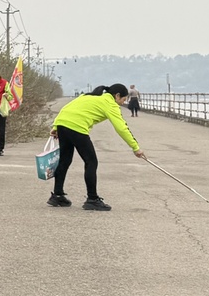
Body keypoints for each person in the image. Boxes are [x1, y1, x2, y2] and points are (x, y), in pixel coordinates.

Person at [49, 83, 146, 212]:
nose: (123, 103)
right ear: (117, 96)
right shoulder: (110, 104)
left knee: (65, 160)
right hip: (77, 127)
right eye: (123, 99)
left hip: (63, 124)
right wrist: (135, 147)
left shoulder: (88, 96)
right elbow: (122, 128)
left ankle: (57, 195)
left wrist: (56, 126)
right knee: (91, 162)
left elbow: (67, 108)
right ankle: (92, 199)